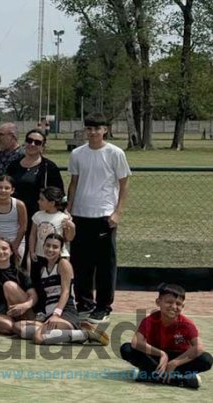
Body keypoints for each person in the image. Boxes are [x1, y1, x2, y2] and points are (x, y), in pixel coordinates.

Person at [66, 113, 131, 324]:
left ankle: (103, 306)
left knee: (105, 264)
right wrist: (69, 210)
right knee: (81, 262)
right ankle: (84, 303)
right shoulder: (77, 154)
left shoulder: (115, 153)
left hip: (104, 216)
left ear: (105, 129)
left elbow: (124, 184)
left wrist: (117, 213)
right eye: (89, 128)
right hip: (80, 215)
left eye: (97, 128)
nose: (93, 132)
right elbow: (74, 183)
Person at [13, 234, 109, 346]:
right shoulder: (43, 269)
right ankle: (72, 332)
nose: (50, 249)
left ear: (61, 249)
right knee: (18, 327)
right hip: (49, 315)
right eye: (48, 245)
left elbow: (66, 292)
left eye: (55, 247)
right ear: (43, 246)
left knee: (38, 338)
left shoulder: (63, 264)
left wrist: (56, 314)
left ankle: (84, 334)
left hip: (65, 313)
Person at [120, 283, 211, 389]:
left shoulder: (187, 325)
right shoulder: (149, 321)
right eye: (169, 302)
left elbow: (198, 347)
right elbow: (136, 342)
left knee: (206, 359)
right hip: (157, 358)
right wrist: (162, 354)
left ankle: (150, 375)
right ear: (158, 302)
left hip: (179, 358)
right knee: (127, 349)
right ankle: (179, 379)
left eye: (178, 304)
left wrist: (175, 363)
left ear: (183, 306)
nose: (174, 307)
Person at [6, 129, 65, 246]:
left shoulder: (49, 167)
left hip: (39, 217)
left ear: (43, 146)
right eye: (29, 140)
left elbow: (59, 194)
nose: (32, 144)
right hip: (15, 216)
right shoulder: (13, 165)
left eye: (37, 142)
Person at [29, 187, 75, 267]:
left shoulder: (63, 218)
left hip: (58, 256)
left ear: (52, 203)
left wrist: (72, 227)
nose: (38, 201)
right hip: (40, 255)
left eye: (42, 200)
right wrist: (32, 251)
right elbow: (33, 235)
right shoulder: (37, 215)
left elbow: (68, 238)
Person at [0, 176, 28, 261]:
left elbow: (23, 227)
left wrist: (15, 246)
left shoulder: (19, 205)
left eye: (7, 188)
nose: (3, 190)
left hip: (17, 241)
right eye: (0, 187)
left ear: (12, 190)